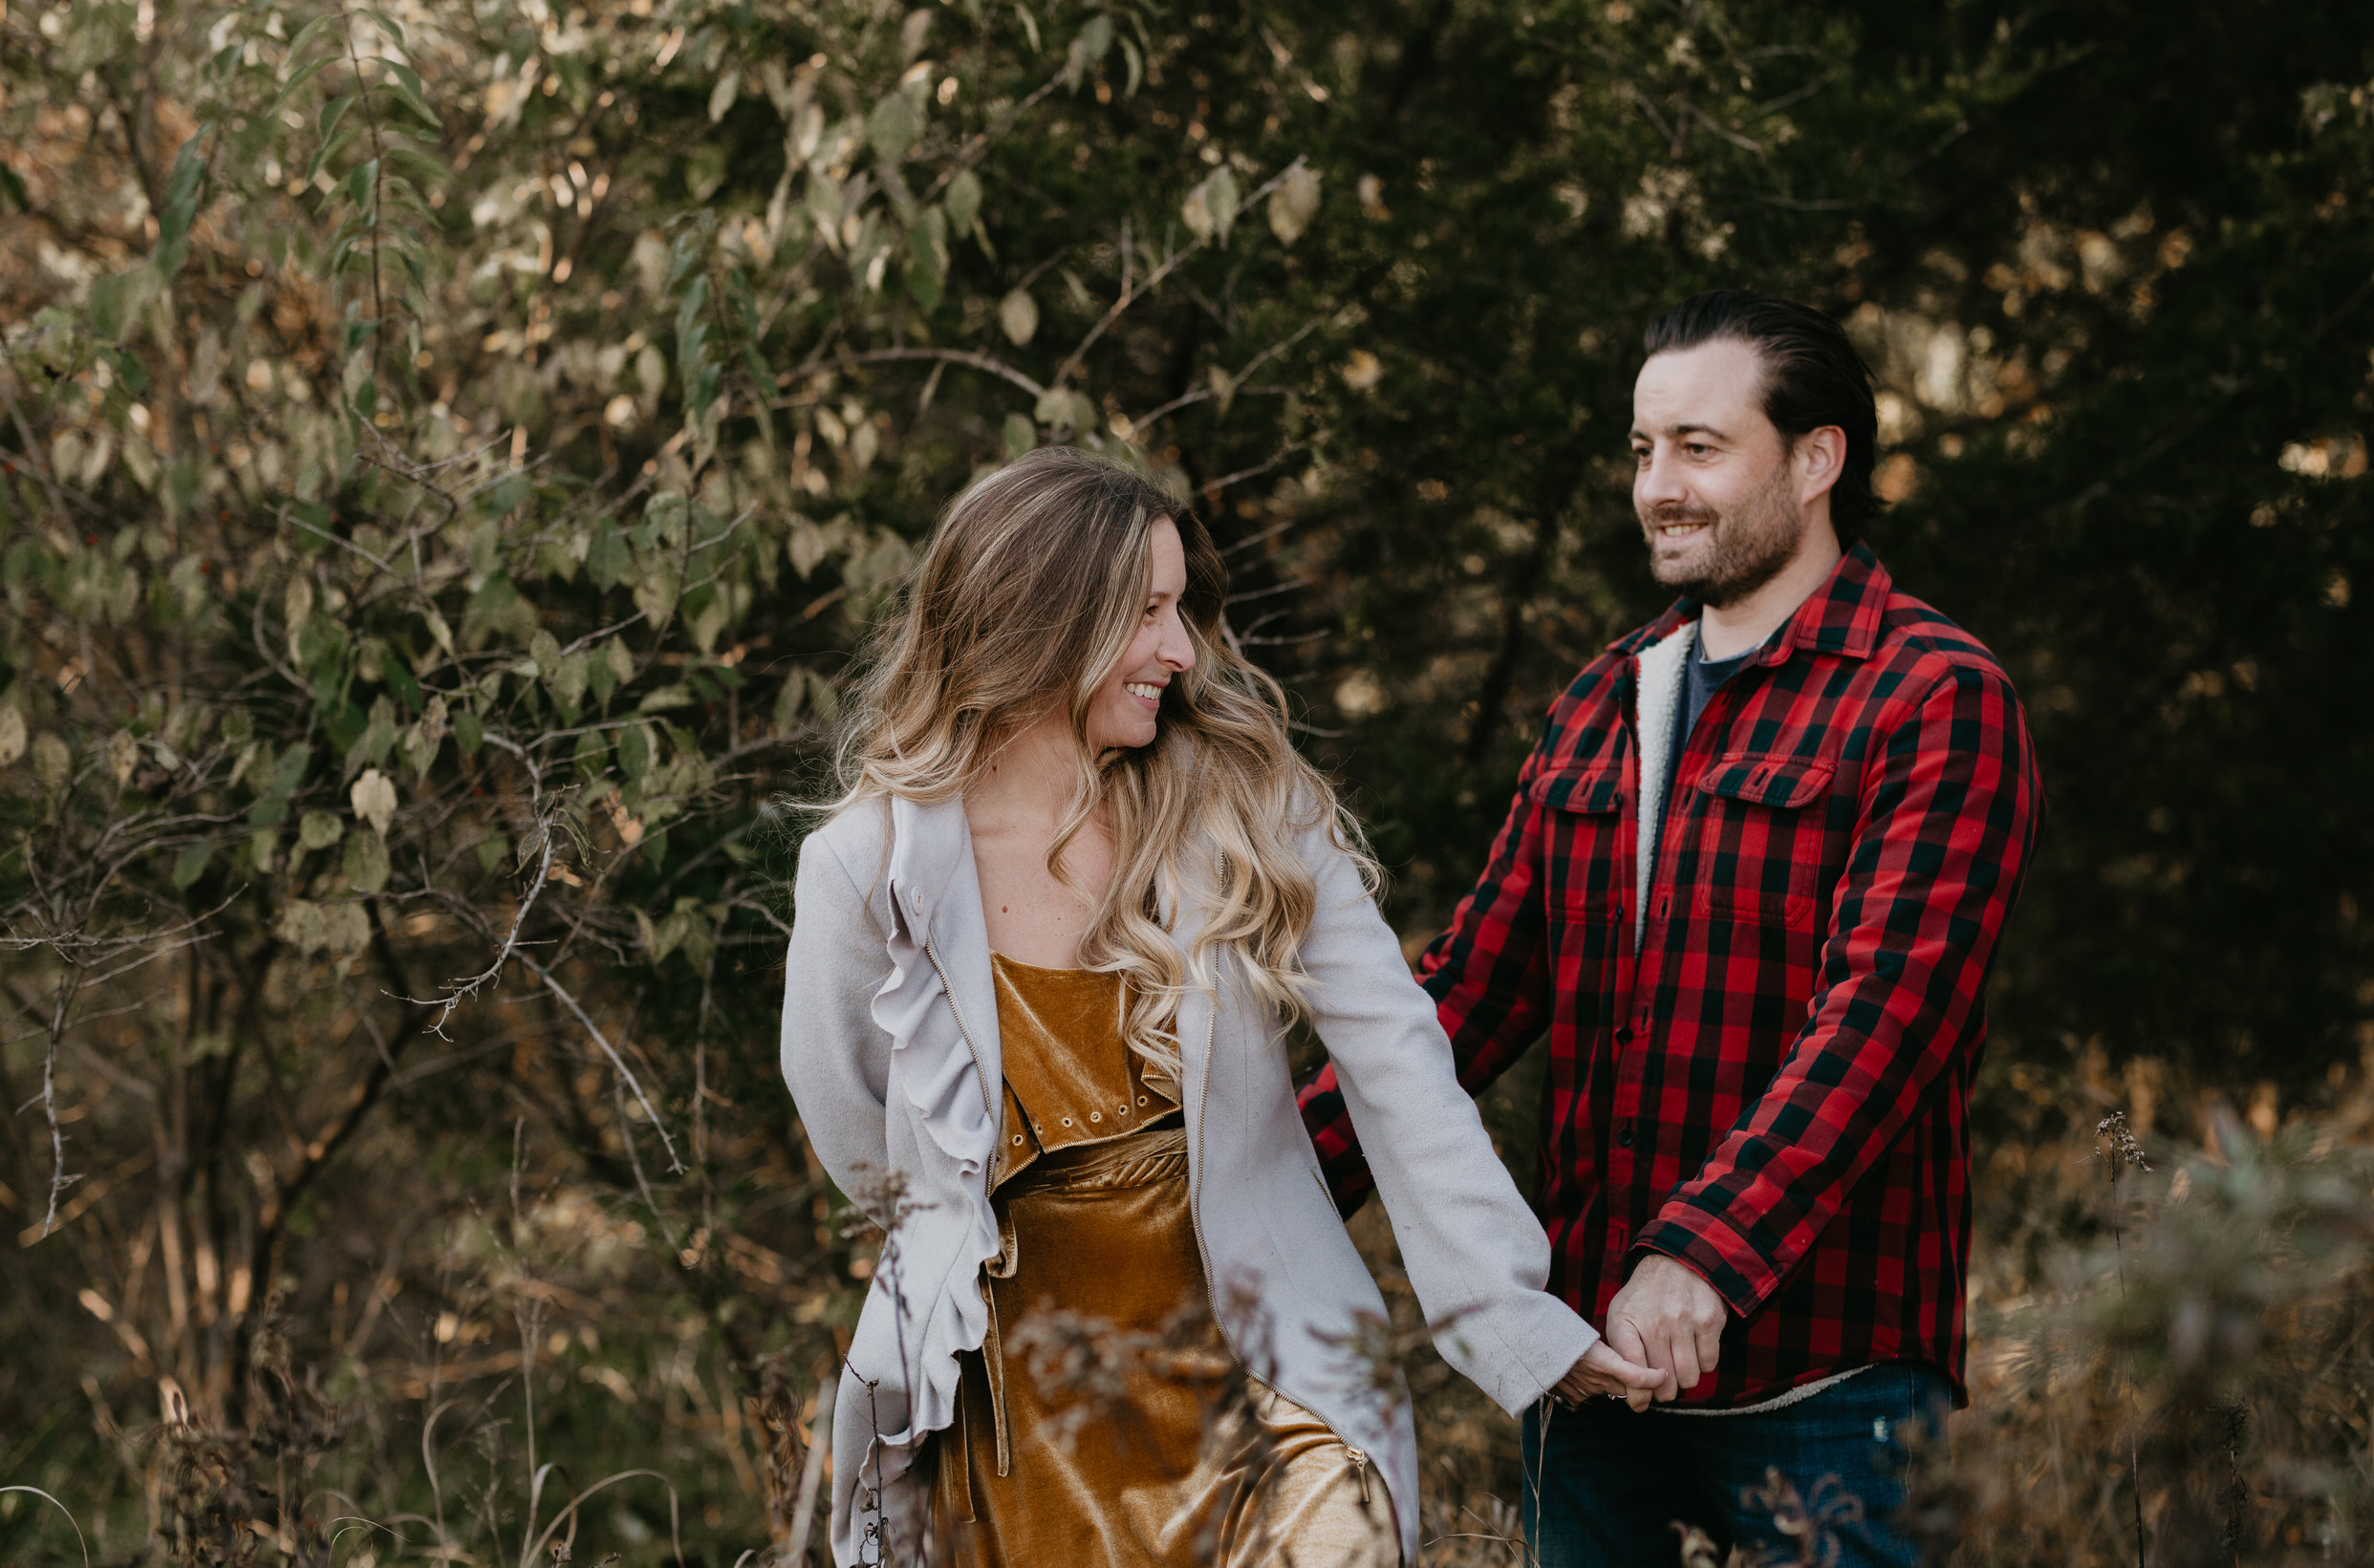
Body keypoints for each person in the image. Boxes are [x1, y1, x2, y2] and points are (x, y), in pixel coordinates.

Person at [779, 447, 1662, 1568]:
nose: (1182, 649)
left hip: (1268, 1397)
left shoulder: (1252, 805)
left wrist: (1514, 1315)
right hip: (1002, 1429)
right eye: (1148, 611)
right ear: (1041, 619)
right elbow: (860, 1140)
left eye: (1181, 606)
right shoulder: (866, 865)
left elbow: (1400, 1067)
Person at [1299, 290, 2044, 1567]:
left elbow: (1887, 1021)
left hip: (1833, 1384)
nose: (1658, 486)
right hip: (1591, 1370)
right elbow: (1464, 993)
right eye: (1644, 451)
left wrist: (1703, 1252)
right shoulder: (1606, 696)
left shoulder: (1934, 695)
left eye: (1699, 446)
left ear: (1817, 460)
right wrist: (1262, 1186)